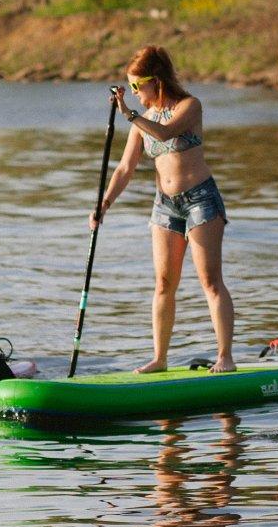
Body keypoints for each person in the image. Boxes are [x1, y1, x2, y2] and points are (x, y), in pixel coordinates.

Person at [92, 45, 237, 373]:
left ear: (155, 81)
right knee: (163, 283)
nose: (133, 92)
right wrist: (104, 204)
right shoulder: (142, 122)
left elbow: (167, 132)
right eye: (129, 87)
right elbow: (125, 168)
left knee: (210, 280)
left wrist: (128, 112)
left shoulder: (190, 106)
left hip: (201, 200)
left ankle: (225, 356)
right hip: (165, 206)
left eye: (135, 86)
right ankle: (159, 358)